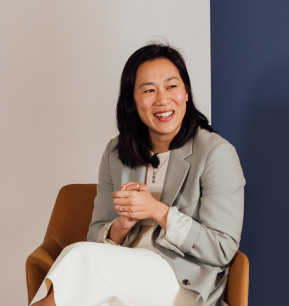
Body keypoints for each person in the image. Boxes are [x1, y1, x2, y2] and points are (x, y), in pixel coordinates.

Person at [30, 43, 245, 306]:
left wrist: (157, 211)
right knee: (81, 261)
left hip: (181, 282)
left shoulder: (216, 153)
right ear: (133, 100)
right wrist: (122, 225)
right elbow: (96, 235)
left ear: (186, 92)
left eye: (171, 86)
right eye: (148, 90)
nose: (162, 99)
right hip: (120, 276)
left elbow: (222, 249)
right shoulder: (116, 152)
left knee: (78, 258)